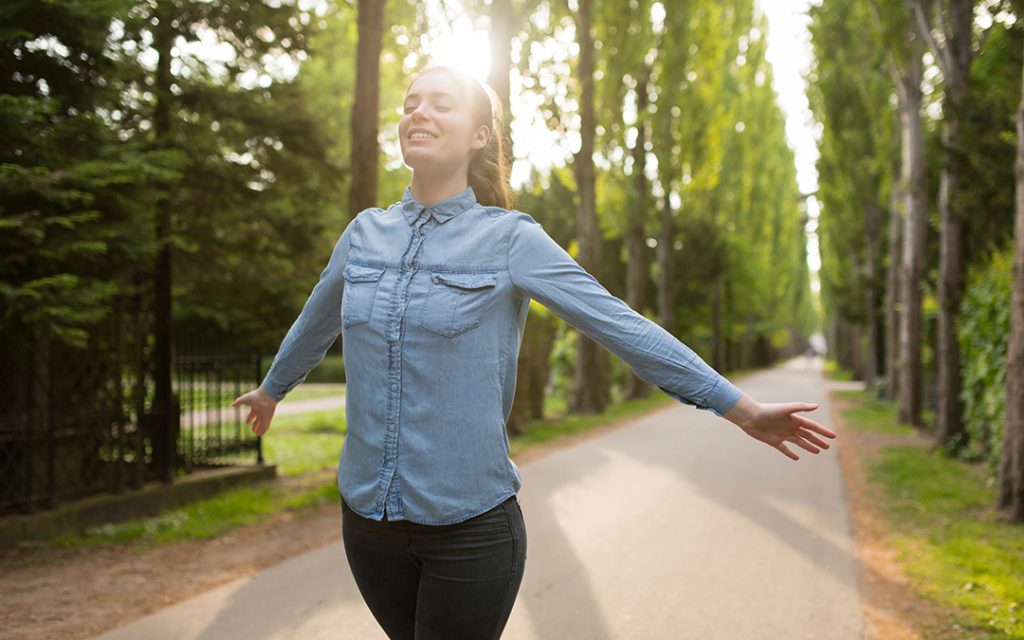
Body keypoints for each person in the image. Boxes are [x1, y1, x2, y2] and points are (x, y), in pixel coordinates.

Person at [231, 63, 837, 640]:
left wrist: (740, 408)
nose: (419, 111)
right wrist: (272, 388)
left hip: (470, 532)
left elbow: (620, 326)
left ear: (479, 134)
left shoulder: (511, 240)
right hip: (367, 523)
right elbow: (316, 321)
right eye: (411, 102)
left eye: (441, 103)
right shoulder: (364, 233)